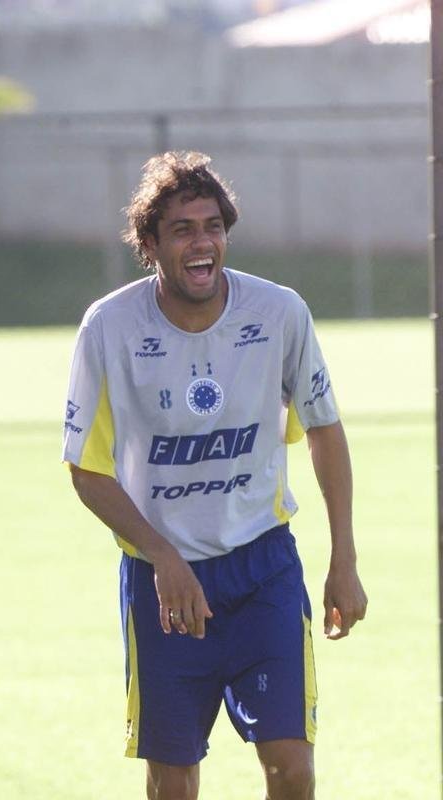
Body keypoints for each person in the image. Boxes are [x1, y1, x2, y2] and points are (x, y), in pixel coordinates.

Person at [62, 151, 367, 800]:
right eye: (182, 229)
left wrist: (344, 558)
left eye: (213, 226)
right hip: (161, 584)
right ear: (150, 245)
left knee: (292, 767)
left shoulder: (279, 312)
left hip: (264, 571)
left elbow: (324, 429)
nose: (202, 243)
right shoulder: (109, 327)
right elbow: (86, 470)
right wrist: (163, 554)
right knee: (173, 779)